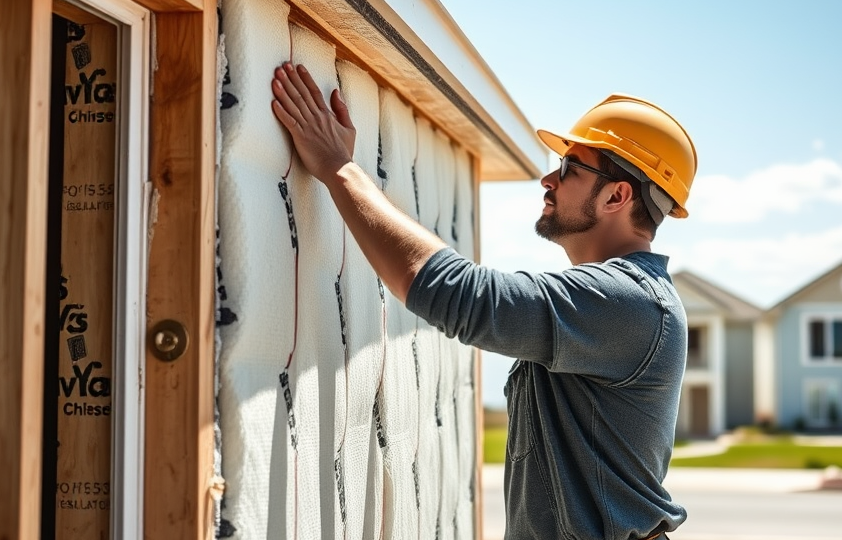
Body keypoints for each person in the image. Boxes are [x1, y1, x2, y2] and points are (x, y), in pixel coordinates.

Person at [271, 61, 697, 540]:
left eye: (568, 167)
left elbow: (456, 294)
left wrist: (339, 169)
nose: (548, 180)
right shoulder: (615, 302)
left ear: (617, 196)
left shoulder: (627, 302)